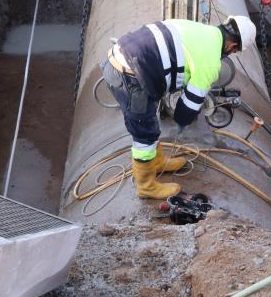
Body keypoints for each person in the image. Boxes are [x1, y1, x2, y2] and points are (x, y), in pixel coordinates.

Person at [101, 16, 257, 199]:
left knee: (150, 120)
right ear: (232, 47)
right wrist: (182, 123)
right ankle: (146, 186)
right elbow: (188, 108)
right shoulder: (211, 61)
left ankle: (157, 162)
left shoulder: (198, 29)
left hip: (122, 59)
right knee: (145, 134)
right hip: (129, 75)